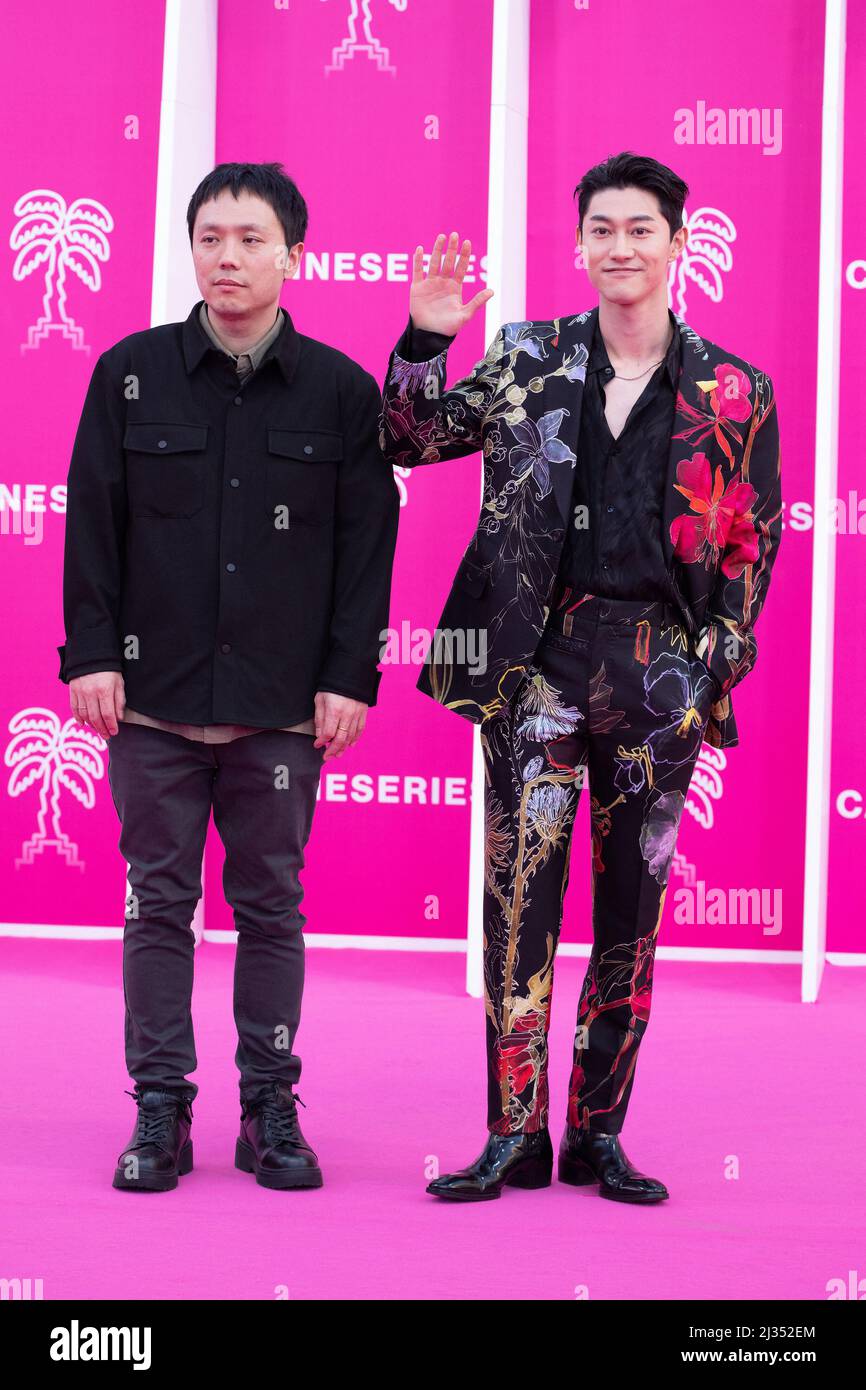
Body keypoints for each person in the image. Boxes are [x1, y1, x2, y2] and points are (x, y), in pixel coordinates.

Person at [378, 151, 782, 1203]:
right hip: (533, 669)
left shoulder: (734, 390)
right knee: (516, 905)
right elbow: (412, 439)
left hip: (659, 680)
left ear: (675, 243)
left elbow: (751, 545)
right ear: (577, 245)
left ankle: (596, 1134)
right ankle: (512, 1134)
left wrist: (709, 667)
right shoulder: (525, 358)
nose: (618, 246)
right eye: (599, 229)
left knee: (630, 915)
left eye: (639, 228)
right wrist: (426, 338)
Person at [57, 162, 400, 1192]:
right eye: (210, 237)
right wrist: (86, 655)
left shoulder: (340, 392)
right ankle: (159, 1108)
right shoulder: (129, 372)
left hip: (281, 710)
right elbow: (91, 528)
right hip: (152, 697)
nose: (228, 257)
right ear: (190, 249)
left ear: (292, 253)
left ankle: (269, 1106)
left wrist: (349, 676)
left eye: (250, 239)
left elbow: (363, 547)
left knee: (272, 907)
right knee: (156, 905)